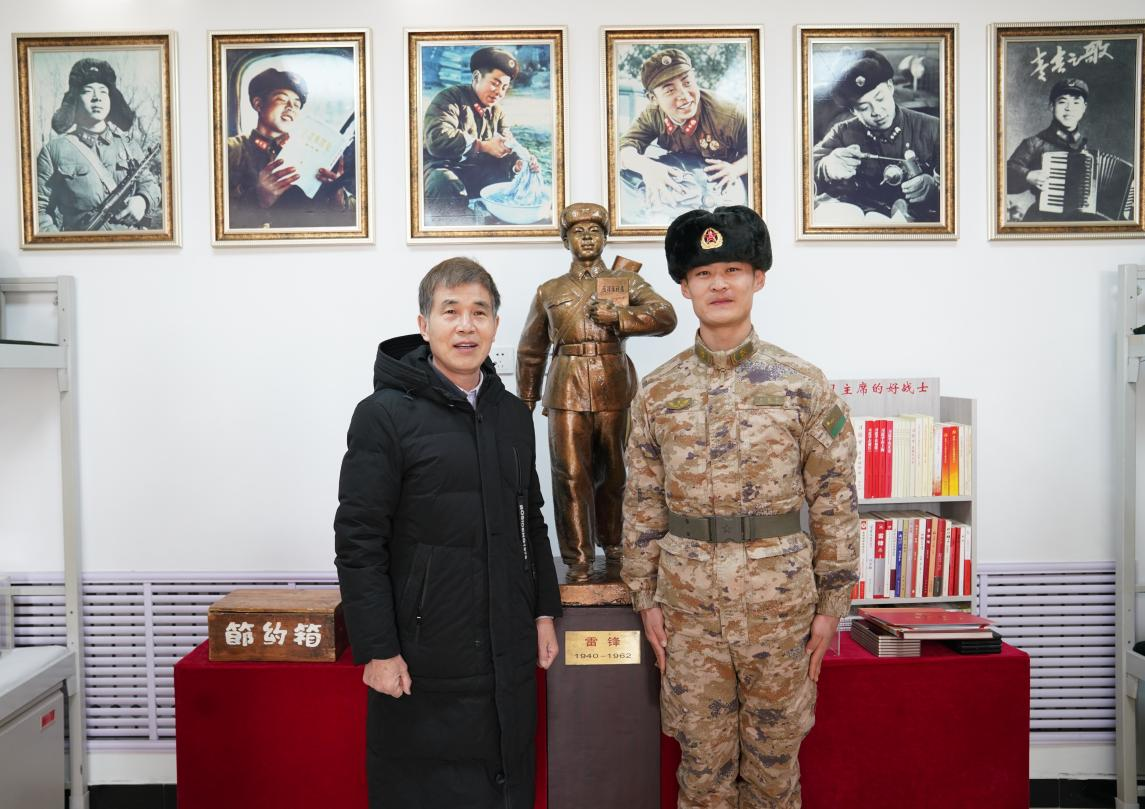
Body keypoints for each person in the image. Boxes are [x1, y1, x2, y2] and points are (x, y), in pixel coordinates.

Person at [621, 206, 860, 808]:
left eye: (733, 268)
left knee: (775, 767)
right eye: (704, 274)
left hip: (779, 608)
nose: (719, 284)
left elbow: (833, 498)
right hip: (689, 608)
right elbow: (643, 500)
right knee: (701, 768)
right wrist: (645, 598)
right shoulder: (658, 390)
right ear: (684, 286)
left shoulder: (802, 384)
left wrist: (832, 605)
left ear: (759, 277)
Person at [334, 258, 562, 809]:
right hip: (423, 652)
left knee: (505, 781)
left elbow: (529, 516)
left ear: (496, 325)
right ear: (424, 324)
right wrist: (379, 650)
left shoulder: (511, 414)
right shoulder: (383, 415)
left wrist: (542, 611)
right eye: (451, 311)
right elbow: (359, 538)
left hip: (505, 643)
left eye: (479, 313)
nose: (466, 326)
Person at [517, 202, 677, 582]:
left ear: (605, 238)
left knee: (616, 473)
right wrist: (525, 401)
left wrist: (620, 317)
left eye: (594, 230)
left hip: (612, 385)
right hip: (565, 387)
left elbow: (666, 316)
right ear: (565, 239)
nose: (586, 236)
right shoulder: (549, 290)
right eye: (577, 231)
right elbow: (530, 349)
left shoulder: (626, 282)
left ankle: (617, 548)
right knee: (570, 474)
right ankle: (578, 559)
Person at [812, 49, 941, 222]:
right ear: (852, 110)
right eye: (864, 108)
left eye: (880, 99)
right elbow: (801, 170)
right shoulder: (842, 132)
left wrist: (936, 188)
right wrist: (825, 167)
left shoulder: (934, 127)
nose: (877, 112)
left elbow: (967, 185)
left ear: (890, 87)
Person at [35, 58, 161, 233]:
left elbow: (150, 184)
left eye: (103, 92)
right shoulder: (53, 151)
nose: (97, 98)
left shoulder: (128, 145)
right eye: (87, 91)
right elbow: (39, 212)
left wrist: (142, 200)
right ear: (75, 100)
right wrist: (62, 248)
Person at [618, 49, 750, 211]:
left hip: (728, 195)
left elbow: (762, 151)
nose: (685, 96)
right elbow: (624, 149)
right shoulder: (652, 115)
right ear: (653, 99)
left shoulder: (729, 115)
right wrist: (648, 168)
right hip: (685, 196)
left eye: (687, 83)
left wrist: (735, 168)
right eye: (669, 90)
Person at [227, 67, 355, 229]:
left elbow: (354, 220)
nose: (291, 108)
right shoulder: (229, 151)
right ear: (258, 104)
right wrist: (257, 199)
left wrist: (334, 190)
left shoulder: (311, 155)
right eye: (282, 99)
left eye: (297, 104)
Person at [422, 47, 540, 222]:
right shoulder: (449, 99)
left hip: (476, 172)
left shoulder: (497, 112)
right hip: (444, 168)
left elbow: (507, 143)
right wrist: (482, 145)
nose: (499, 92)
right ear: (477, 77)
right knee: (443, 181)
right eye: (495, 83)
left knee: (507, 184)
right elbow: (437, 139)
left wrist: (518, 162)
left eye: (505, 87)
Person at [1005, 78, 1128, 221]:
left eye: (1076, 102)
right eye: (1062, 102)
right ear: (1051, 106)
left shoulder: (1088, 148)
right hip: (1044, 220)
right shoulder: (1034, 143)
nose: (1069, 108)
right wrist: (1028, 175)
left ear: (1084, 108)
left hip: (1081, 223)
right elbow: (1005, 176)